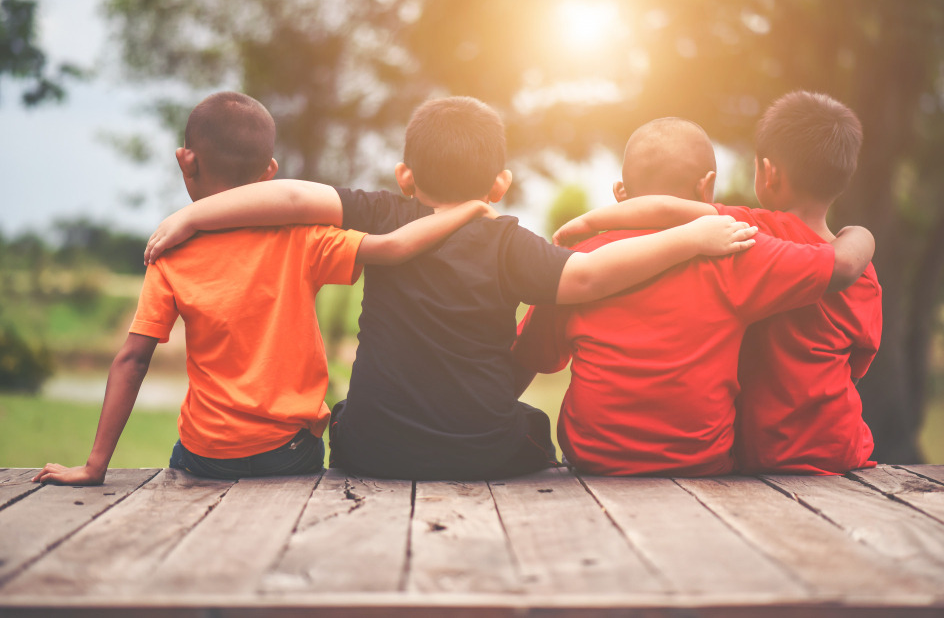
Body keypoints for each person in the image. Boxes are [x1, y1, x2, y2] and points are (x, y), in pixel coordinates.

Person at [137, 95, 759, 480]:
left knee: (348, 416)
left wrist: (191, 214)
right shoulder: (507, 239)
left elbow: (293, 195)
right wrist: (692, 239)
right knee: (530, 428)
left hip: (374, 449)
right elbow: (590, 274)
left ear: (406, 175)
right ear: (500, 184)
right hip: (481, 449)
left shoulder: (382, 213)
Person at [32, 91, 494, 486]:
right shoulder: (301, 237)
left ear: (185, 160)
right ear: (269, 170)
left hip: (203, 456)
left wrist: (95, 466)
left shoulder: (171, 251)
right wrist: (471, 206)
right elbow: (394, 247)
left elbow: (132, 360)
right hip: (288, 453)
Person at [514, 116, 875, 476]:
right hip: (698, 465)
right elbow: (833, 265)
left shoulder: (578, 266)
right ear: (708, 188)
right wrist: (859, 233)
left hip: (595, 462)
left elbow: (532, 357)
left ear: (621, 194)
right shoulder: (735, 253)